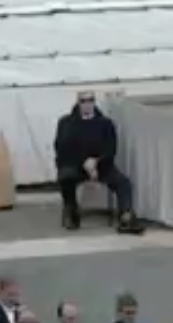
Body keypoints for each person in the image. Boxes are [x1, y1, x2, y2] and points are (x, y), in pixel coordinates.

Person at [53, 91, 140, 233]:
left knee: (123, 183)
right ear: (78, 103)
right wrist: (84, 163)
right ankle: (71, 211)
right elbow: (62, 148)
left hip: (102, 165)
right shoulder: (66, 123)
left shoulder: (106, 123)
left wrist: (96, 162)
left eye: (90, 100)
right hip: (75, 165)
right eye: (83, 101)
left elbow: (111, 149)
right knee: (66, 177)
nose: (87, 104)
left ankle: (126, 216)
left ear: (94, 102)